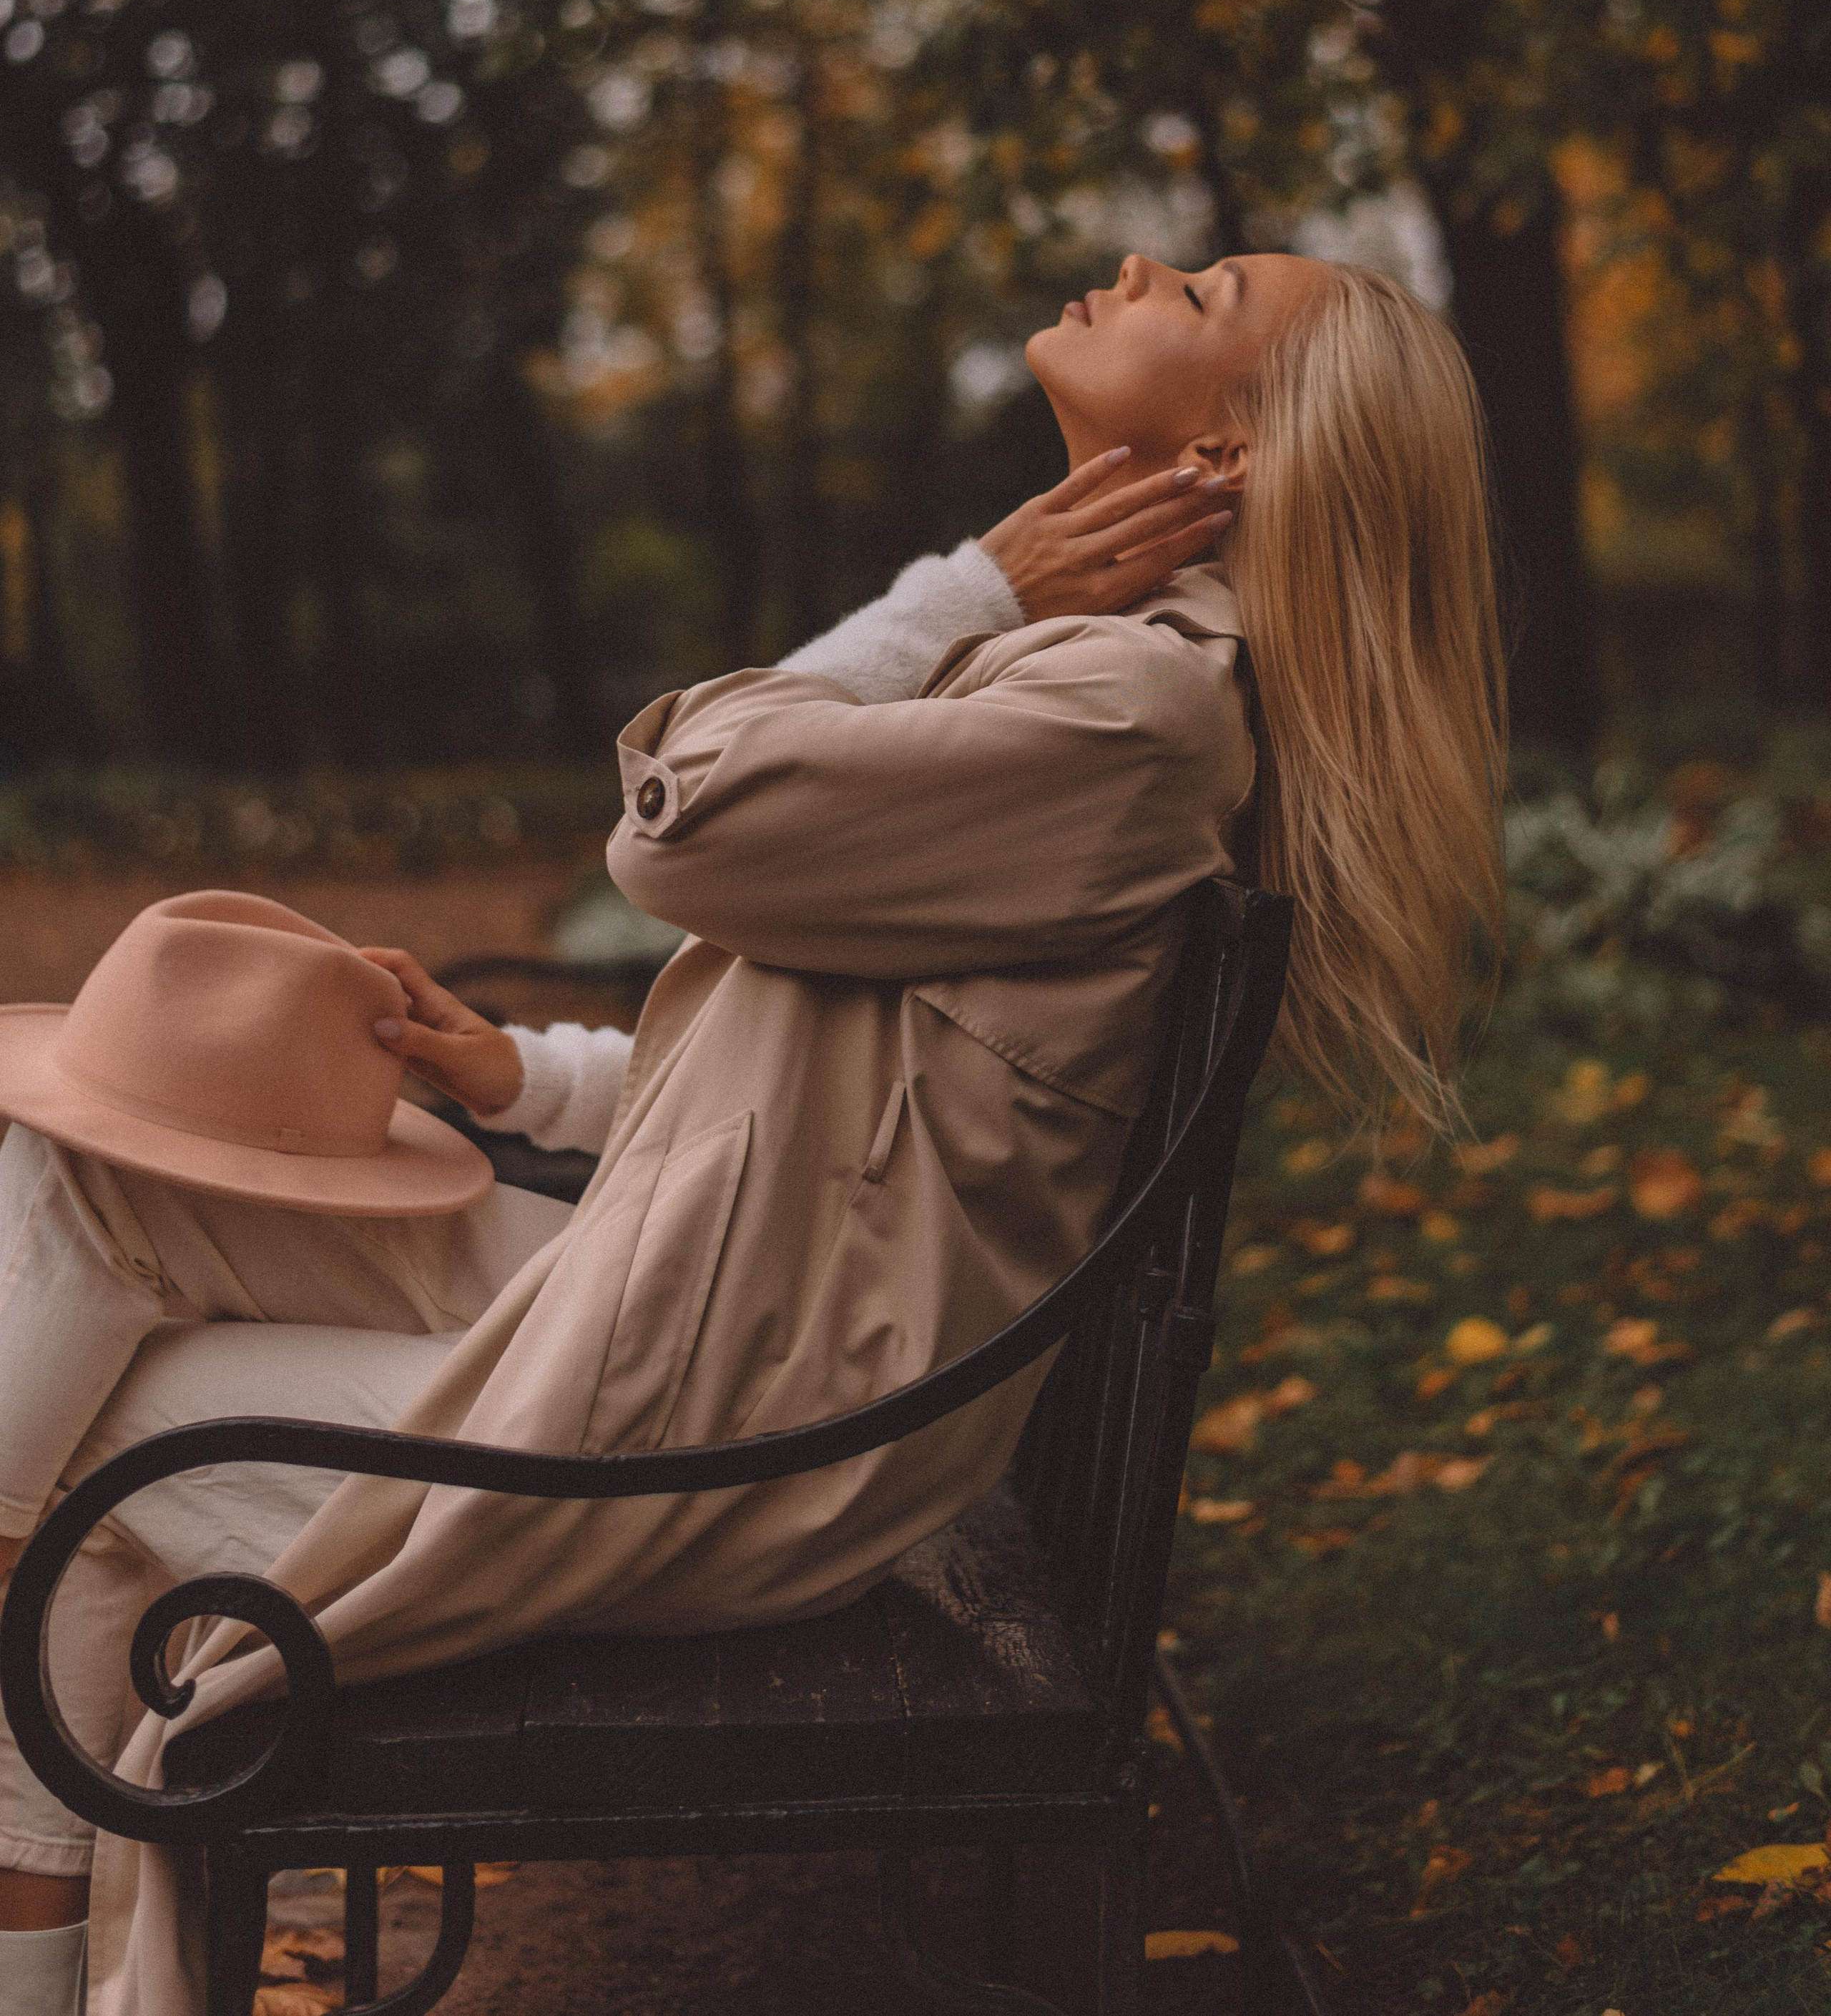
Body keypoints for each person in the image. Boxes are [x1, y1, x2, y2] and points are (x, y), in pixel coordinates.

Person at [0, 248, 1503, 2016]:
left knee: (103, 1463)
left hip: (744, 1426)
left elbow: (678, 831)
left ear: (1231, 451)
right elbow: (864, 1095)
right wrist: (526, 1084)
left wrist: (962, 585)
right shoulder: (1094, 682)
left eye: (1205, 282)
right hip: (705, 1314)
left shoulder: (1124, 715)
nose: (1135, 266)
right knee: (82, 1171)